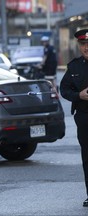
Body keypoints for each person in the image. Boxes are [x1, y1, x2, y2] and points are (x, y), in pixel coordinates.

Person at [60, 29, 88, 207]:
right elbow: (64, 89)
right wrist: (79, 95)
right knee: (87, 157)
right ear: (79, 46)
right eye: (83, 44)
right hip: (84, 117)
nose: (87, 47)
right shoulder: (74, 67)